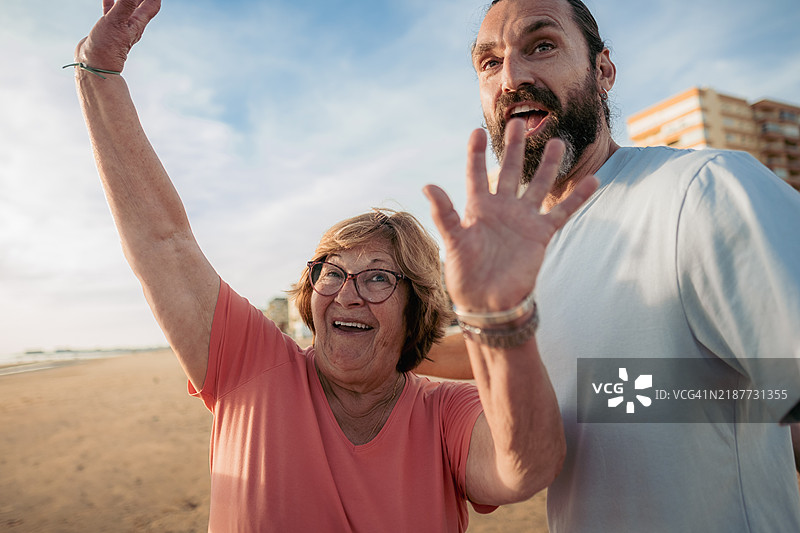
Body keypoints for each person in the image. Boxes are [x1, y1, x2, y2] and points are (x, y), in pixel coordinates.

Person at [67, 0, 599, 530]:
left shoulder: (444, 414)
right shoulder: (250, 364)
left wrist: (499, 315)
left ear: (415, 304)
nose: (347, 293)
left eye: (377, 278)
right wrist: (99, 74)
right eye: (332, 272)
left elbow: (526, 468)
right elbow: (165, 243)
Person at [419, 0, 800, 531]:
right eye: (489, 62)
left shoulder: (702, 189)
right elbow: (545, 343)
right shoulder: (532, 251)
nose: (510, 77)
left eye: (542, 45)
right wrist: (381, 343)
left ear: (602, 71)